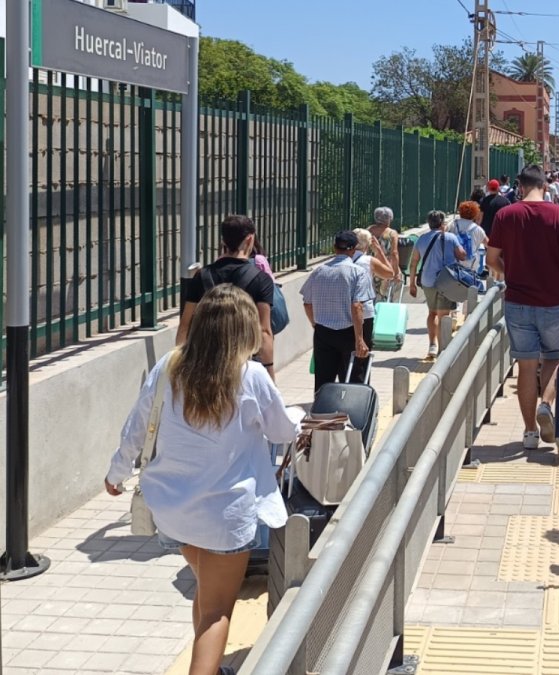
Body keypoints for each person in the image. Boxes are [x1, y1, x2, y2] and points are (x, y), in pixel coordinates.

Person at [105, 285, 300, 675]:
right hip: (224, 514)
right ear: (245, 328)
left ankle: (209, 666)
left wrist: (117, 473)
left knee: (208, 593)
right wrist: (297, 417)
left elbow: (137, 424)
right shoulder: (251, 375)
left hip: (174, 510)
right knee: (217, 611)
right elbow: (281, 431)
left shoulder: (170, 365)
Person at [487, 164, 559, 450]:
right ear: (544, 186)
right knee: (554, 358)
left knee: (526, 366)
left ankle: (529, 433)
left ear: (521, 187)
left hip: (517, 302)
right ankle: (546, 405)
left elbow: (491, 260)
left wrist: (512, 273)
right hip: (553, 301)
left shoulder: (505, 215)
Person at [178, 215, 276, 381]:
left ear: (223, 240)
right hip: (245, 365)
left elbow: (185, 325)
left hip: (205, 363)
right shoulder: (261, 279)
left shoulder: (202, 275)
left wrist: (181, 363)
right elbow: (264, 331)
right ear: (250, 239)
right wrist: (269, 371)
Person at [301, 230, 373, 392]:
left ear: (334, 247)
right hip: (349, 332)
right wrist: (360, 339)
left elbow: (307, 303)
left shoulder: (319, 271)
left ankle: (322, 407)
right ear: (353, 249)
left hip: (323, 332)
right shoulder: (358, 272)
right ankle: (352, 408)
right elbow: (357, 306)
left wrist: (315, 324)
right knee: (354, 378)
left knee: (323, 380)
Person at [409, 211, 467, 358]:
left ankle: (432, 345)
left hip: (428, 281)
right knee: (444, 315)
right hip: (446, 281)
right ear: (442, 223)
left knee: (432, 313)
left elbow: (414, 262)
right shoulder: (450, 237)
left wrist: (412, 284)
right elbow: (462, 255)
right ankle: (443, 348)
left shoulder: (421, 239)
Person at [350, 228, 395, 382]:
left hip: (343, 312)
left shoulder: (343, 259)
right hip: (364, 312)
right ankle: (362, 386)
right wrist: (379, 251)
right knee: (362, 354)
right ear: (368, 244)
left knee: (347, 353)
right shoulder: (368, 261)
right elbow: (390, 273)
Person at [368, 206, 403, 298]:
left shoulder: (368, 231)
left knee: (370, 294)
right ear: (389, 218)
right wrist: (396, 272)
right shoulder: (392, 233)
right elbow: (394, 253)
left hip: (371, 265)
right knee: (385, 295)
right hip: (386, 266)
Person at [451, 201, 489, 274]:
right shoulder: (478, 229)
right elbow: (488, 244)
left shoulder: (453, 224)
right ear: (475, 213)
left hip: (454, 261)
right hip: (471, 264)